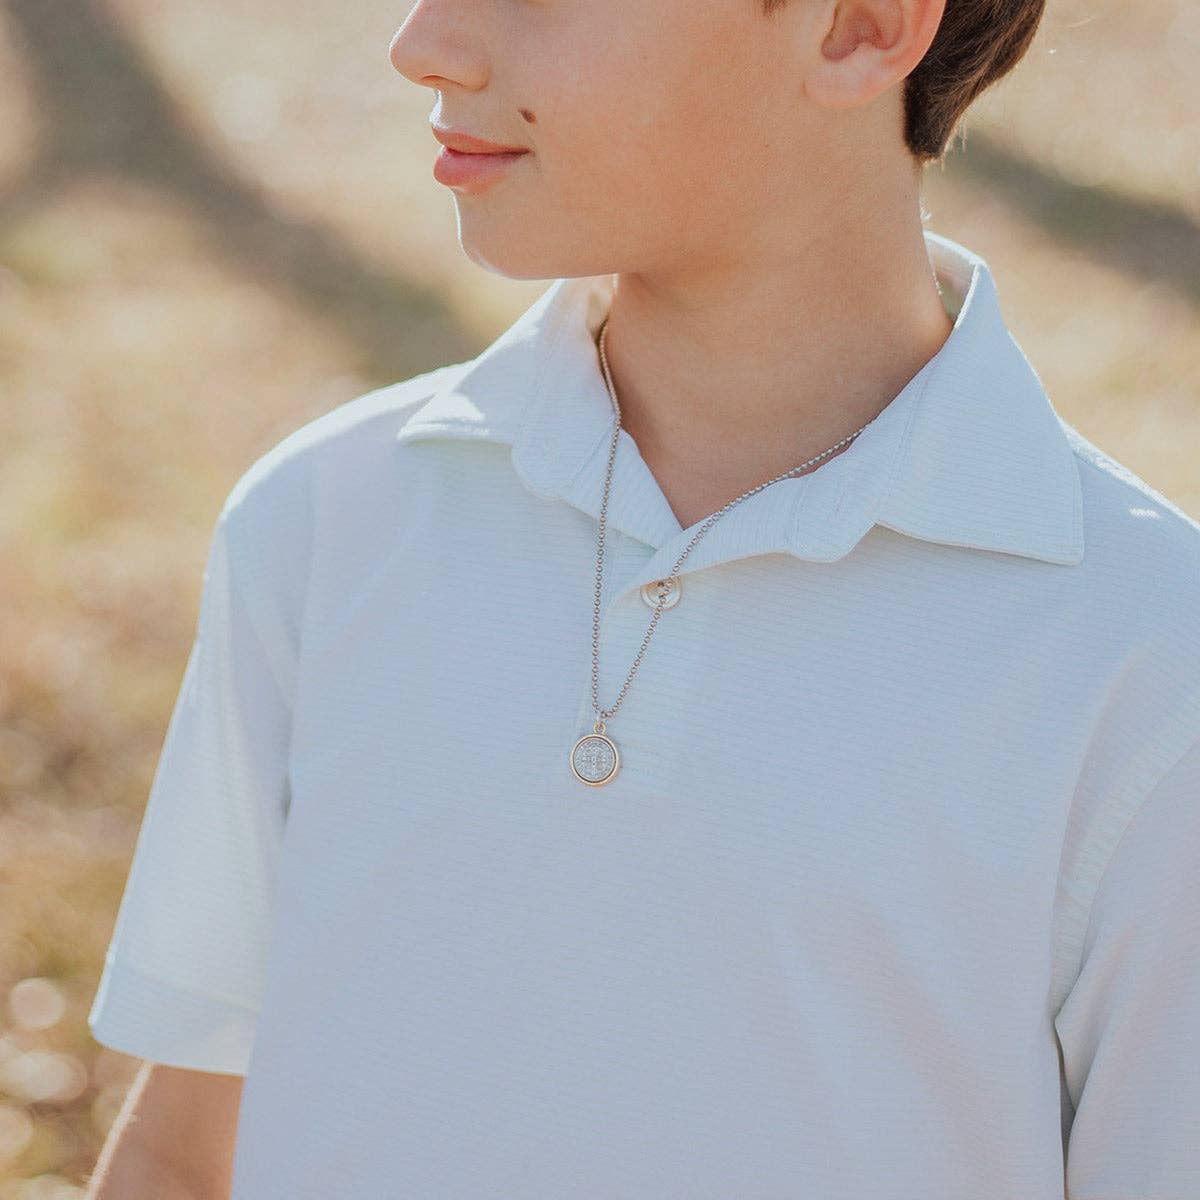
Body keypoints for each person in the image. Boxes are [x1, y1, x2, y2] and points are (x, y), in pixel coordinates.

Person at [85, 1, 1200, 1197]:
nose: (423, 43)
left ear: (861, 27)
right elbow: (184, 1156)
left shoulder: (1143, 660)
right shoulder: (323, 522)